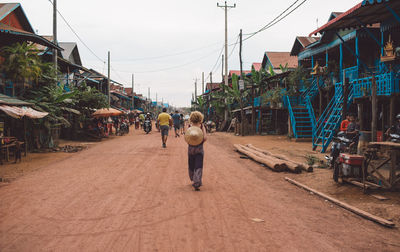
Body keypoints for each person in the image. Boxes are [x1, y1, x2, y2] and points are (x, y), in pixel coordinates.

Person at [186, 111, 207, 191]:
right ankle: (197, 181)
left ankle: (192, 177)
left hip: (190, 149)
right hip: (199, 149)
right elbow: (205, 138)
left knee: (191, 164)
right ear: (200, 118)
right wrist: (200, 141)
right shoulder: (201, 126)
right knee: (198, 165)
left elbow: (187, 137)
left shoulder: (189, 126)